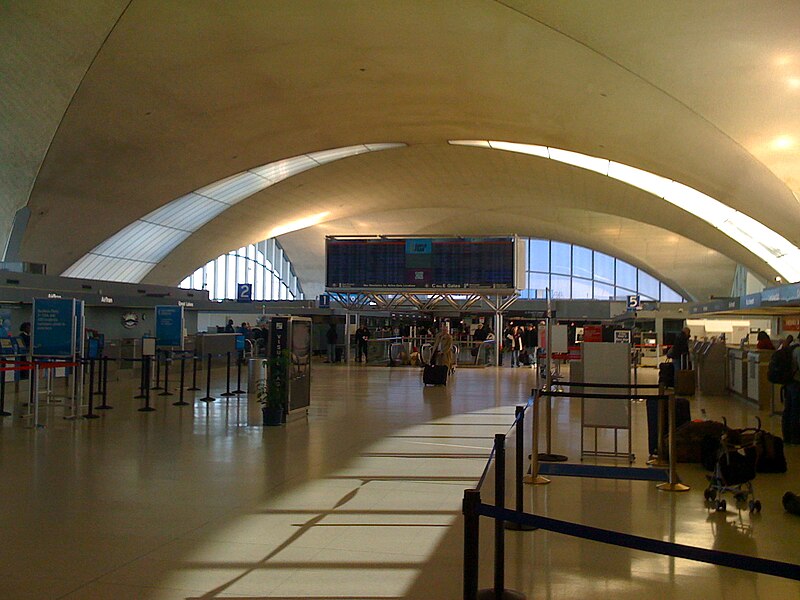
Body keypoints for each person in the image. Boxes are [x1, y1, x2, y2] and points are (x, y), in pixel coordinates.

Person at [784, 338, 800, 444]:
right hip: (797, 382)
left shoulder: (790, 347)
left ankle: (787, 437)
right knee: (796, 411)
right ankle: (795, 437)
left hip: (789, 382)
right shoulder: (798, 350)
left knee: (788, 410)